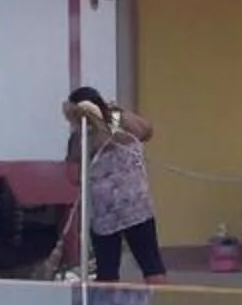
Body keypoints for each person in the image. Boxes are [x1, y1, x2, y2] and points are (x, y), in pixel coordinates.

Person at [63, 86, 165, 282]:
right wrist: (119, 112)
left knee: (107, 270)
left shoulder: (82, 137)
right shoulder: (119, 123)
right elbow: (147, 132)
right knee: (151, 263)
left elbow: (73, 176)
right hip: (136, 204)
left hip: (105, 211)